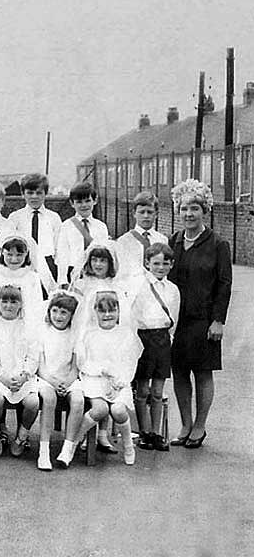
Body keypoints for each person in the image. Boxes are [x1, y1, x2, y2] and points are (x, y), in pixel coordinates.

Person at [167, 180, 232, 449]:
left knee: (203, 373)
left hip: (204, 320)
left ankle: (200, 426)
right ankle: (185, 424)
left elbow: (224, 283)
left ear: (205, 210)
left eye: (195, 208)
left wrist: (218, 320)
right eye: (184, 208)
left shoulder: (218, 244)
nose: (189, 214)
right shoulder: (175, 241)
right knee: (180, 372)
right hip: (176, 322)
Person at [67, 290, 141, 467]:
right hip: (95, 380)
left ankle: (128, 445)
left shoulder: (126, 335)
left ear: (118, 312)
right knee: (99, 409)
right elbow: (83, 363)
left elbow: (131, 363)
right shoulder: (89, 334)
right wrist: (101, 370)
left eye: (112, 310)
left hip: (118, 381)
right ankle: (75, 441)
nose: (107, 315)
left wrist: (120, 381)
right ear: (95, 312)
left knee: (118, 411)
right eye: (102, 311)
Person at [0, 285, 40, 458]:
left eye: (13, 301)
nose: (9, 306)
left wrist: (24, 376)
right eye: (4, 301)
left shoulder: (28, 327)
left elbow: (33, 356)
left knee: (32, 403)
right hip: (0, 377)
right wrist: (3, 378)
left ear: (21, 304)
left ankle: (21, 437)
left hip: (23, 376)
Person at [132, 243, 180, 452]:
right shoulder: (139, 284)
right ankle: (144, 433)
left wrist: (168, 337)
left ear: (171, 265)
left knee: (158, 391)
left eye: (165, 263)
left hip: (162, 340)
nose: (160, 267)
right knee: (142, 390)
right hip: (143, 339)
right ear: (147, 263)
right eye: (156, 263)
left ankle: (157, 433)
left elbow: (174, 318)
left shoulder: (173, 289)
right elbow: (133, 313)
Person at [35, 290, 83, 471]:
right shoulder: (43, 331)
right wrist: (53, 382)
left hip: (69, 378)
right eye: (54, 311)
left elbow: (74, 366)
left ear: (72, 315)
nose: (58, 316)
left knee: (78, 400)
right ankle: (44, 450)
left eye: (64, 312)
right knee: (49, 398)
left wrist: (68, 381)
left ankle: (67, 449)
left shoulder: (75, 334)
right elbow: (41, 366)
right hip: (46, 378)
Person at [7, 173, 60, 291]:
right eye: (30, 193)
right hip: (24, 264)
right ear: (23, 194)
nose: (34, 197)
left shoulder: (54, 218)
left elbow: (58, 247)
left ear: (45, 193)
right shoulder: (15, 217)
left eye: (39, 193)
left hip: (48, 263)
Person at [55, 181, 109, 287]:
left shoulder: (101, 227)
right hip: (73, 272)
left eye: (87, 201)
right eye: (79, 202)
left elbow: (104, 254)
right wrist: (63, 280)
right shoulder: (67, 226)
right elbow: (62, 255)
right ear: (72, 203)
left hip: (95, 273)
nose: (84, 205)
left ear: (95, 201)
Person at [115, 190, 168, 285]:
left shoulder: (162, 240)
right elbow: (121, 273)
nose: (146, 216)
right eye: (142, 212)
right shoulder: (124, 241)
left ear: (156, 214)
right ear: (134, 213)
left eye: (150, 212)